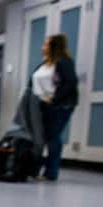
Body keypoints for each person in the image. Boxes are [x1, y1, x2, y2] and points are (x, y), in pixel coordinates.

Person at [31, 34, 78, 181]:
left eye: (46, 44)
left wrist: (54, 99)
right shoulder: (44, 64)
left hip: (60, 106)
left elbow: (70, 83)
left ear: (54, 46)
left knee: (52, 137)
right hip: (42, 104)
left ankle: (51, 173)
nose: (43, 47)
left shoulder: (64, 62)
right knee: (40, 137)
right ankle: (34, 169)